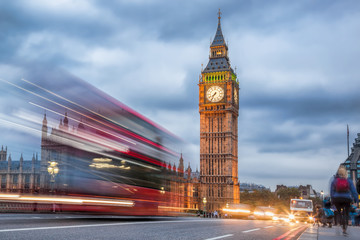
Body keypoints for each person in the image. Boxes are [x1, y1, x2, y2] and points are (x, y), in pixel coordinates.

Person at [330, 165, 359, 234]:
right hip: (346, 198)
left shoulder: (335, 181)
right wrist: (356, 199)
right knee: (346, 213)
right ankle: (344, 229)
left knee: (339, 213)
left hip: (337, 198)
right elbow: (354, 191)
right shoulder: (348, 180)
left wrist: (332, 199)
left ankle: (340, 223)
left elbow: (332, 191)